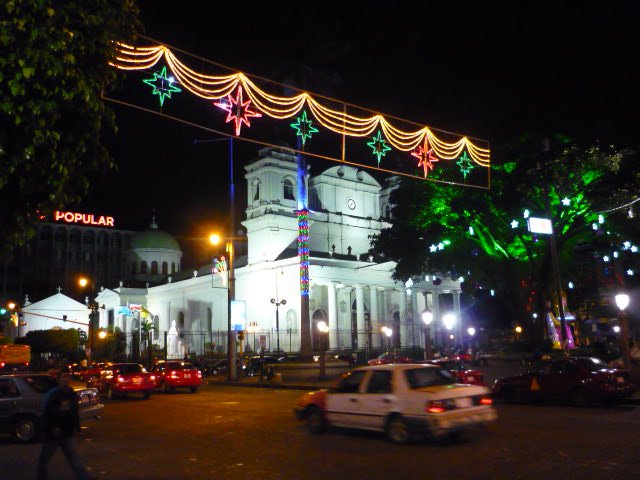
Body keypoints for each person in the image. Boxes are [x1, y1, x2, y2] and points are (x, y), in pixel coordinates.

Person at [37, 370, 95, 480]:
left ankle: (84, 477)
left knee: (74, 458)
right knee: (44, 459)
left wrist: (77, 428)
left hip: (67, 432)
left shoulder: (71, 393)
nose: (65, 379)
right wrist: (53, 427)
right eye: (63, 376)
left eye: (67, 376)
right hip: (53, 434)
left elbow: (74, 412)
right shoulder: (53, 394)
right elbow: (47, 412)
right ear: (58, 380)